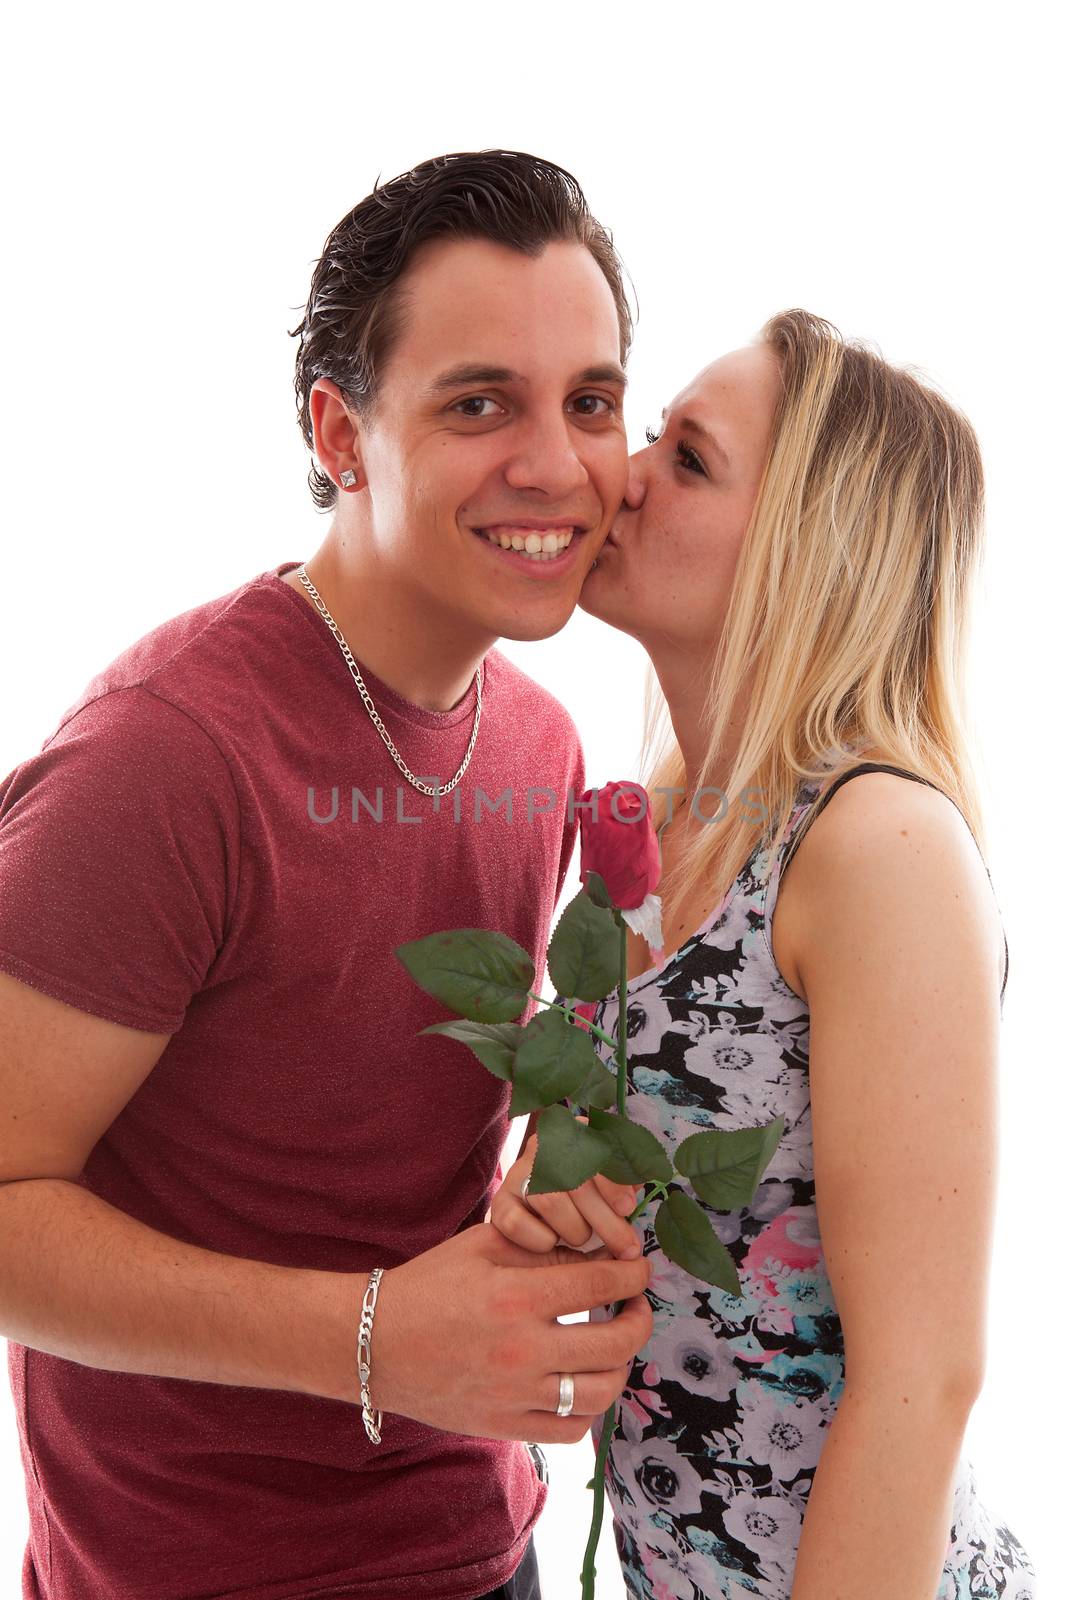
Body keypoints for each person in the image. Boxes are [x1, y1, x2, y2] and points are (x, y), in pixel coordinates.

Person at [0, 150, 654, 1600]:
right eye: (480, 401)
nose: (556, 464)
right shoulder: (166, 759)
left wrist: (551, 1182)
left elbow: (386, 1124)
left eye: (590, 401)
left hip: (481, 1545)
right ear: (341, 435)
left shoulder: (537, 739)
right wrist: (369, 1337)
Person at [493, 311, 1038, 1598]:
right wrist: (544, 1216)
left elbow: (920, 1378)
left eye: (685, 458)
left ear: (807, 547)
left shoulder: (876, 845)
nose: (618, 474)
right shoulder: (663, 829)